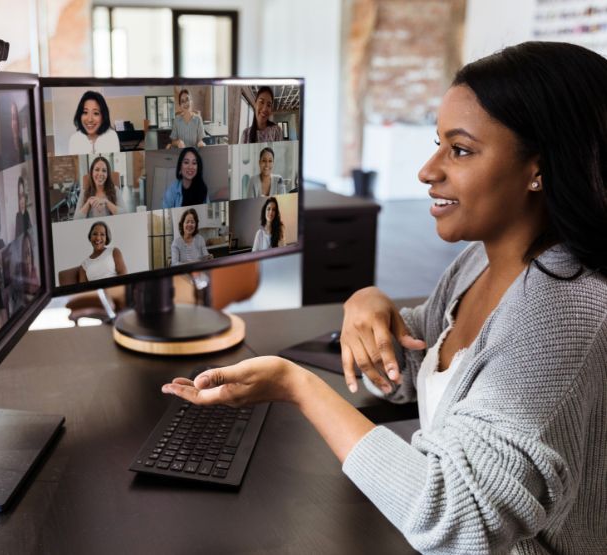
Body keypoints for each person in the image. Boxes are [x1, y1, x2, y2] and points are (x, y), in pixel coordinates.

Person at [163, 42, 607, 554]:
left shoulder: (565, 313)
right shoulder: (482, 262)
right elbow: (417, 367)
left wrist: (298, 386)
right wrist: (367, 304)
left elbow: (458, 523)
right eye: (437, 143)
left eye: (459, 150)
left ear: (540, 168)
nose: (427, 170)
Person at [68, 90, 121, 155]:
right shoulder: (74, 139)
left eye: (96, 113)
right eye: (85, 112)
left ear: (103, 116)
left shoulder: (112, 136)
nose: (90, 119)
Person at [19, 231, 40, 296]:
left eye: (28, 253)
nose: (27, 259)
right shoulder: (19, 280)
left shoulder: (35, 276)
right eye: (24, 254)